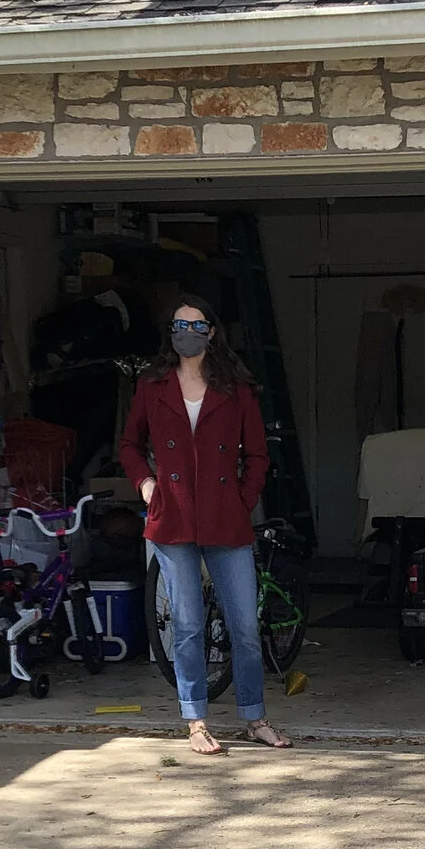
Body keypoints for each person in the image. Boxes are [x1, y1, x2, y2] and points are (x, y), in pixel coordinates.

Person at [119, 300, 290, 755]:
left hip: (225, 518)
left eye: (196, 325)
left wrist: (242, 499)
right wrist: (146, 483)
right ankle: (195, 720)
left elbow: (257, 454)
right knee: (189, 624)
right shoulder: (153, 384)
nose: (186, 332)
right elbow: (130, 444)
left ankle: (255, 717)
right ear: (170, 330)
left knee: (245, 626)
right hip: (172, 517)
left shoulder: (236, 388)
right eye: (179, 324)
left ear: (212, 332)